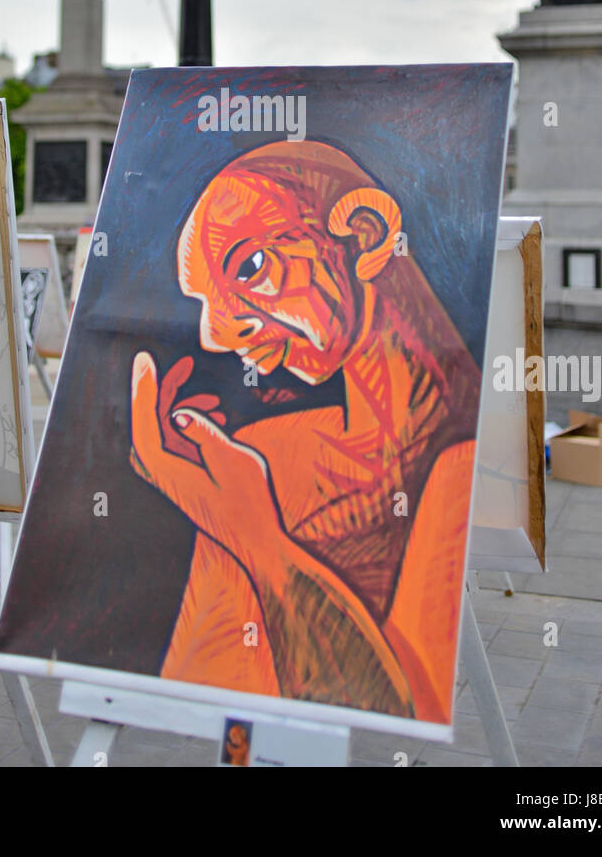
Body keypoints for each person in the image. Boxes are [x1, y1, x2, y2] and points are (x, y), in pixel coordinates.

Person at [131, 140, 480, 722]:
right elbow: (204, 680)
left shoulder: (458, 463)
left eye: (250, 267)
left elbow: (398, 710)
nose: (216, 334)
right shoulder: (265, 454)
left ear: (364, 235)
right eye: (204, 302)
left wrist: (257, 538)